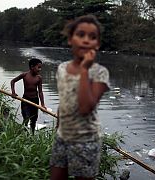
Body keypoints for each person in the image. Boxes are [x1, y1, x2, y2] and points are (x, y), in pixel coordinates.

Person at [50, 15, 110, 180]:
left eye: (92, 37)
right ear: (70, 39)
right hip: (63, 136)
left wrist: (84, 70)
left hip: (87, 141)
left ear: (97, 44)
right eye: (80, 34)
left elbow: (85, 108)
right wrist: (58, 128)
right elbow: (64, 101)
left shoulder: (100, 72)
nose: (86, 40)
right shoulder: (62, 68)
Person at [10, 58, 46, 135]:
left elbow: (40, 92)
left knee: (34, 119)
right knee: (26, 117)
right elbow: (13, 81)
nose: (40, 69)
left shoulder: (39, 78)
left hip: (35, 101)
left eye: (40, 67)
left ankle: (32, 135)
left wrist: (42, 105)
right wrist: (13, 92)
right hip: (25, 100)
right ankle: (24, 133)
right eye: (38, 67)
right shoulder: (24, 75)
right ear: (32, 67)